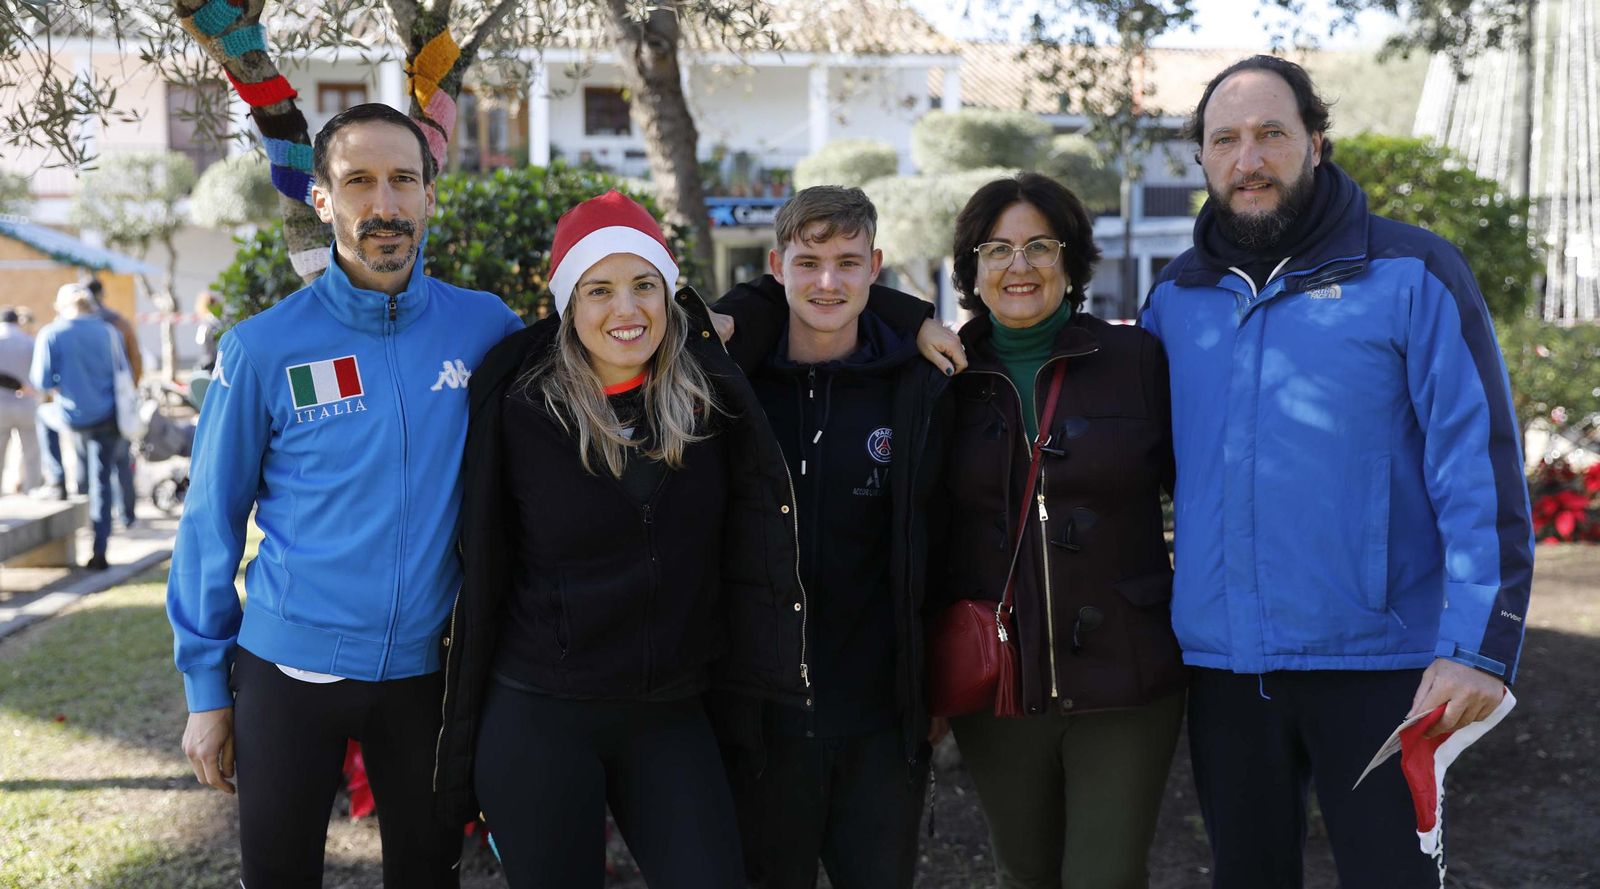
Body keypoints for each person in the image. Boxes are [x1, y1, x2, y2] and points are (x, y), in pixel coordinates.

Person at [1139, 55, 1535, 887]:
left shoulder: (1414, 274)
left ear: (1316, 143)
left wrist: (1480, 647)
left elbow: (1480, 470)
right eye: (1226, 140)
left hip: (1385, 669)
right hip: (1225, 671)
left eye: (1271, 134)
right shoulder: (1176, 298)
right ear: (1203, 158)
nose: (1249, 159)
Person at [165, 103, 523, 888]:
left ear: (431, 194)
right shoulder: (262, 348)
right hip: (288, 673)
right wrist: (204, 689)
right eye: (359, 181)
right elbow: (209, 522)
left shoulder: (487, 328)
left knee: (429, 877)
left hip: (430, 674)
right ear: (321, 200)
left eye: (403, 179)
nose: (385, 204)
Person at [433, 190, 810, 889]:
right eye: (598, 290)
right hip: (542, 712)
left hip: (669, 712)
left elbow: (810, 292)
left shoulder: (707, 388)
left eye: (644, 285)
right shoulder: (517, 402)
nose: (626, 310)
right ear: (569, 304)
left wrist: (909, 318)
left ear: (672, 295)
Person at [929, 172, 1187, 889]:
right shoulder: (938, 377)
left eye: (1040, 246)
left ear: (1070, 262)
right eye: (998, 248)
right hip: (996, 682)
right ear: (971, 269)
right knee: (1025, 872)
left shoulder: (1137, 362)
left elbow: (1201, 499)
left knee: (1104, 875)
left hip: (1126, 678)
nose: (1020, 266)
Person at [708, 186, 950, 889]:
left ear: (876, 265)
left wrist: (927, 687)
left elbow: (938, 534)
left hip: (879, 718)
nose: (827, 282)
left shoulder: (915, 384)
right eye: (808, 261)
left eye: (847, 262)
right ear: (777, 265)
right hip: (760, 720)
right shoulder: (730, 382)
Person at [29, 284, 128, 570]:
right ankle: (100, 549)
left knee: (42, 416)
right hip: (108, 416)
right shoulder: (109, 332)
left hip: (72, 416)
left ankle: (58, 479)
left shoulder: (52, 333)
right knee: (102, 483)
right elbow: (124, 372)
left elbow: (42, 382)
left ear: (61, 307)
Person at [0, 307, 42, 494]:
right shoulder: (29, 342)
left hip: (1, 403)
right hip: (26, 402)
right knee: (31, 451)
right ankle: (32, 488)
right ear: (17, 322)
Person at [194, 290, 222, 372]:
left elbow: (200, 341)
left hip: (209, 360)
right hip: (213, 360)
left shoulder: (206, 322)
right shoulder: (217, 321)